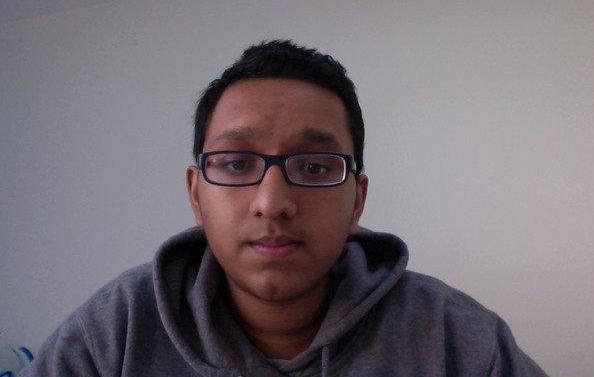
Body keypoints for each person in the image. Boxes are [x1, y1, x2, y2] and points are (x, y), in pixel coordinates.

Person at [19, 40, 548, 376]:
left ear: (357, 200)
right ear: (196, 195)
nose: (271, 203)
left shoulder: (456, 339)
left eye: (315, 167)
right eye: (235, 163)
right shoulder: (114, 335)